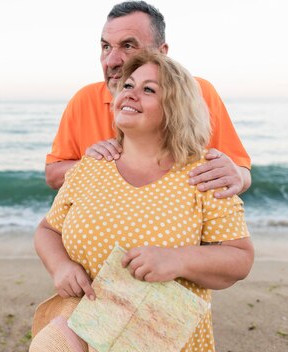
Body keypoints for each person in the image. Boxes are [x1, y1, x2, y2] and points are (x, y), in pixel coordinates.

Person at [29, 51, 254, 352]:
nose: (130, 94)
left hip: (160, 336)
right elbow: (48, 230)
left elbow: (240, 258)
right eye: (127, 86)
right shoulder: (90, 166)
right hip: (85, 323)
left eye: (148, 89)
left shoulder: (204, 172)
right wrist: (60, 267)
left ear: (176, 107)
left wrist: (177, 260)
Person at [45, 1, 251, 200]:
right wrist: (91, 164)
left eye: (127, 46)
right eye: (106, 47)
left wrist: (237, 177)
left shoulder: (198, 93)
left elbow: (240, 172)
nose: (111, 61)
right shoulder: (84, 99)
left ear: (161, 53)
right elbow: (53, 175)